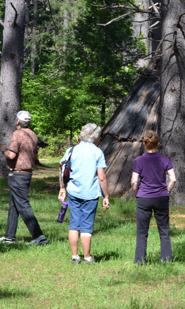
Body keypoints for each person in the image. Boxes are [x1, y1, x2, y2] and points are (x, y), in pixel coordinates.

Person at [58, 123, 110, 264]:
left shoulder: (71, 150)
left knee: (74, 224)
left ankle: (75, 256)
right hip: (91, 193)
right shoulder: (97, 152)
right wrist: (105, 196)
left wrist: (62, 189)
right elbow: (101, 177)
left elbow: (62, 169)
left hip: (73, 192)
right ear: (96, 136)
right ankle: (87, 257)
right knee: (86, 226)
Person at [0, 111, 48, 246]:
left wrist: (3, 149)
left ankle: (39, 236)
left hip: (17, 174)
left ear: (18, 121)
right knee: (14, 204)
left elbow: (11, 155)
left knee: (22, 204)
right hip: (26, 173)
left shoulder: (17, 134)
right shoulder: (32, 134)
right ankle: (9, 236)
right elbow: (34, 155)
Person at [131, 131, 176, 264]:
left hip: (143, 198)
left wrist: (136, 195)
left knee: (142, 231)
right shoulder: (165, 159)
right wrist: (166, 191)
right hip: (161, 197)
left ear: (144, 144)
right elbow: (173, 179)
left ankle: (139, 260)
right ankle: (166, 260)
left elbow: (134, 182)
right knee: (164, 230)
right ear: (158, 144)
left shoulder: (138, 160)